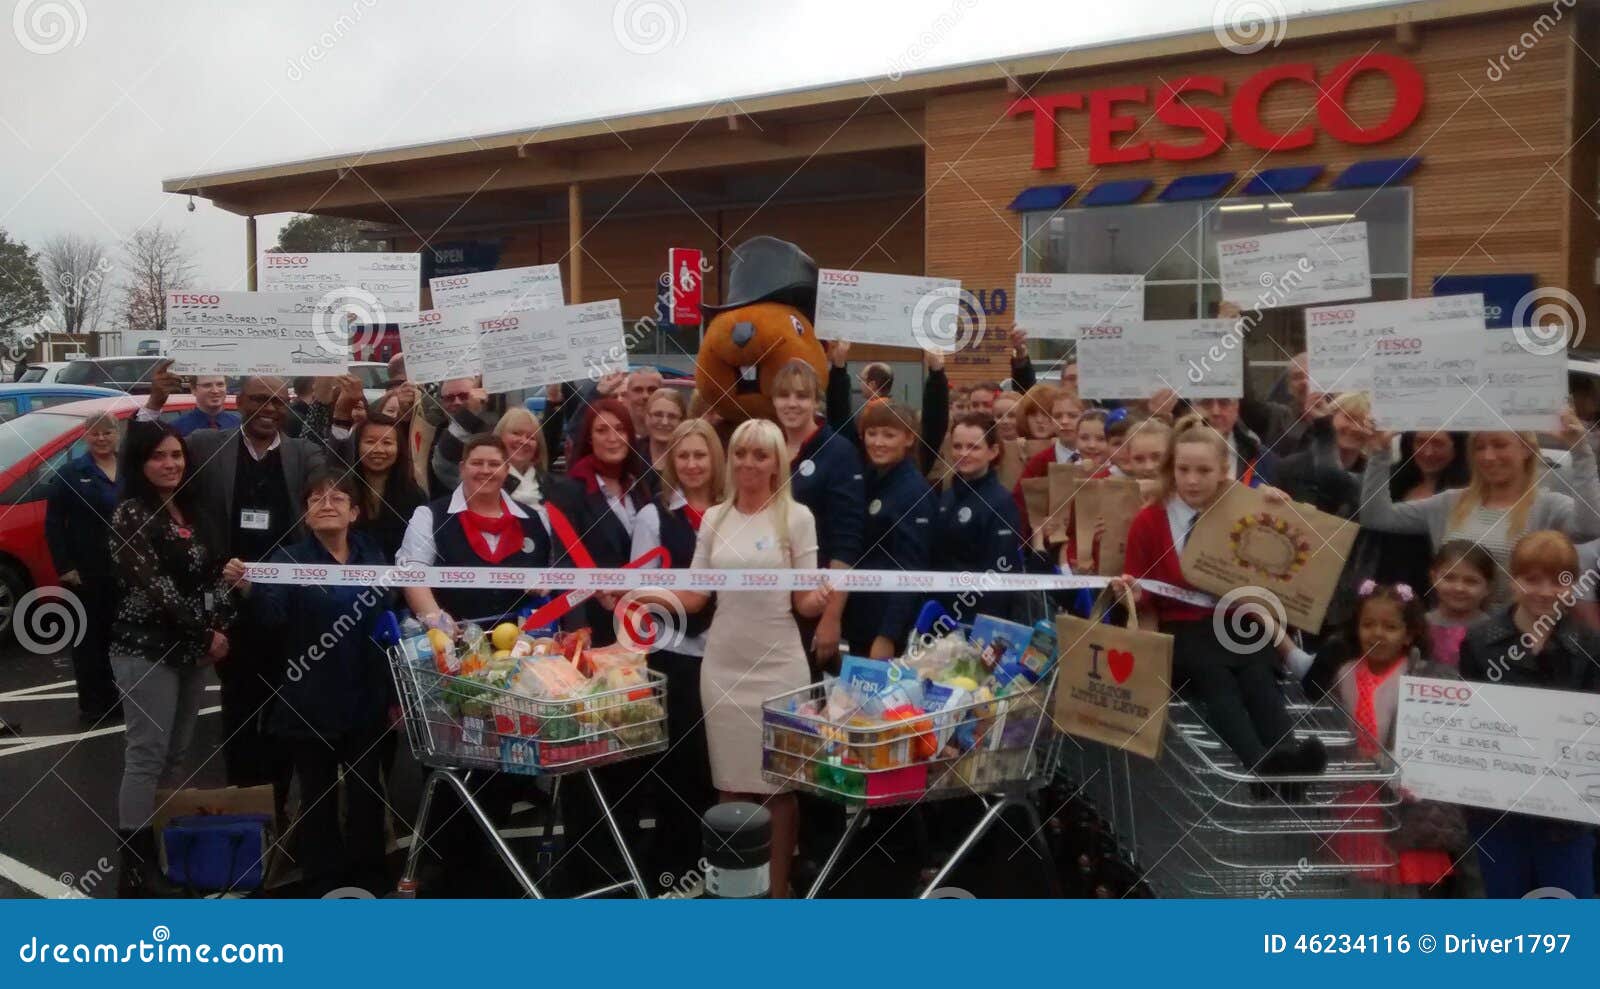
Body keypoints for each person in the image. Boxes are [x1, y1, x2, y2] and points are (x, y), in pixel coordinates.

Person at [637, 418, 831, 897]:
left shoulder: (797, 517)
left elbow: (803, 601)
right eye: (741, 453)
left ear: (775, 463)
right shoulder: (716, 518)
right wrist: (639, 593)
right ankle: (735, 895)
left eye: (760, 455)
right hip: (722, 664)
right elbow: (697, 597)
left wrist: (824, 599)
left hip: (780, 663)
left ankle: (779, 895)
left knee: (779, 790)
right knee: (730, 784)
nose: (748, 462)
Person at [141, 363, 326, 790]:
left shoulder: (303, 453)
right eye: (260, 398)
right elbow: (149, 455)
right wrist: (153, 404)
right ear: (239, 402)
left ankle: (278, 801)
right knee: (239, 707)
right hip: (228, 602)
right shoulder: (206, 445)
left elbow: (333, 481)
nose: (269, 408)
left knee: (285, 707)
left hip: (287, 602)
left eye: (279, 400)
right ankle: (246, 798)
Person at [1114, 417, 1325, 779]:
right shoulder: (1150, 520)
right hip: (1181, 627)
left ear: (1222, 471)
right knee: (1215, 677)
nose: (1192, 480)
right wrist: (1132, 593)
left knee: (1258, 672)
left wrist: (1280, 508)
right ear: (1172, 470)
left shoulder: (1240, 508)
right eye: (1183, 469)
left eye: (1203, 470)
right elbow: (1138, 590)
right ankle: (1258, 764)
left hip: (1234, 621)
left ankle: (1288, 757)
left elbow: (1283, 552)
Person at [109, 422, 241, 897]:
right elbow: (156, 588)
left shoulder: (192, 509)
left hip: (191, 650)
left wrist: (222, 613)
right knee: (146, 756)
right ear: (140, 464)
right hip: (144, 649)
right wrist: (206, 632)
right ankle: (135, 873)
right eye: (159, 457)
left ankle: (163, 856)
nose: (170, 465)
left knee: (176, 756)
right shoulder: (130, 514)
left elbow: (208, 578)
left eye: (176, 456)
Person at [250, 471, 394, 896]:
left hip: (367, 694)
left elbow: (388, 620)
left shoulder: (374, 556)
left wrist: (393, 694)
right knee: (316, 794)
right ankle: (322, 879)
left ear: (355, 512)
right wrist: (251, 590)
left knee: (368, 790)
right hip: (308, 698)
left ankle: (370, 874)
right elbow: (270, 619)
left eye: (337, 498)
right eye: (316, 499)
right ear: (306, 515)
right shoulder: (286, 560)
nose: (326, 504)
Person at [1287, 581, 1470, 896]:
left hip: (1405, 798)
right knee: (1363, 883)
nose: (1377, 634)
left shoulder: (1420, 677)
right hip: (1357, 794)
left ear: (1409, 634)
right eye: (1368, 624)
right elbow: (1336, 725)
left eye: (1390, 626)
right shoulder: (1344, 673)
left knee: (1406, 885)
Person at [1459, 530, 1600, 898]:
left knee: (1568, 911)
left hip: (1567, 817)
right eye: (1531, 579)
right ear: (1512, 580)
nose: (1544, 591)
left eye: (1559, 581)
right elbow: (1464, 722)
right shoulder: (1478, 641)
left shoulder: (1589, 645)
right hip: (1498, 814)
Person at [1357, 412, 1600, 603]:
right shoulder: (1450, 502)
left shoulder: (1550, 506)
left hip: (1514, 638)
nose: (1488, 456)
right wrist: (1379, 454)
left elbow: (1591, 527)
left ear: (1526, 449)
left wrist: (1581, 452)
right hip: (1449, 635)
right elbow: (1376, 517)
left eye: (1499, 445)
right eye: (1480, 447)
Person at [626, 418, 723, 880]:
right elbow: (639, 587)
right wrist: (690, 603)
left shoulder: (731, 512)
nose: (691, 464)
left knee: (715, 764)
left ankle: (715, 863)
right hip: (675, 653)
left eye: (700, 455)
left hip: (726, 654)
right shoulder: (653, 515)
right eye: (682, 456)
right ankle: (672, 867)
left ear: (714, 459)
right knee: (676, 765)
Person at [398, 434, 560, 628]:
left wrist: (546, 581)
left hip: (526, 645)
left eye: (494, 464)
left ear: (507, 469)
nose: (485, 470)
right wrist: (434, 617)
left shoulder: (537, 519)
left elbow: (557, 570)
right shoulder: (429, 516)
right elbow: (413, 574)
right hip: (451, 643)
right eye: (476, 463)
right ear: (462, 468)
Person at [772, 359, 863, 667]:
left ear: (815, 401)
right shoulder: (767, 447)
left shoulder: (838, 452)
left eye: (801, 396)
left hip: (814, 604)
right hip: (768, 602)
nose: (792, 404)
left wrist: (832, 616)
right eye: (784, 395)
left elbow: (847, 541)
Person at [45, 412, 123, 723]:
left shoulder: (131, 470)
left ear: (117, 434)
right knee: (88, 640)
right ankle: (93, 703)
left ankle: (119, 698)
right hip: (86, 572)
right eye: (94, 433)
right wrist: (65, 566)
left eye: (107, 432)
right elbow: (53, 525)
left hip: (125, 571)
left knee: (120, 637)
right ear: (85, 436)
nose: (101, 438)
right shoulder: (70, 473)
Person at [843, 402, 931, 658]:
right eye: (872, 433)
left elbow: (911, 569)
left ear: (909, 438)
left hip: (886, 628)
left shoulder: (913, 491)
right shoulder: (868, 479)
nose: (878, 442)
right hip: (860, 620)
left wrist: (888, 635)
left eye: (889, 435)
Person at [565, 399, 653, 643]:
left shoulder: (640, 486)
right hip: (594, 623)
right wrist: (578, 630)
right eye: (602, 430)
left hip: (642, 618)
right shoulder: (572, 490)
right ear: (589, 438)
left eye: (620, 428)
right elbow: (567, 565)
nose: (612, 437)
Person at [932, 412, 1024, 623]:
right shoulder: (947, 497)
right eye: (957, 446)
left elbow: (1000, 569)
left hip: (975, 616)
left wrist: (984, 627)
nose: (963, 453)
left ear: (992, 452)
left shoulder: (1001, 502)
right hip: (941, 611)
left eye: (973, 447)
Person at [344, 415, 427, 563]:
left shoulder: (414, 495)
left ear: (399, 448)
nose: (378, 449)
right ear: (357, 446)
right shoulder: (343, 492)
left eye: (387, 442)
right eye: (370, 442)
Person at [494, 406, 580, 519]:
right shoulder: (485, 483)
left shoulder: (556, 488)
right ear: (499, 438)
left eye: (531, 437)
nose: (524, 441)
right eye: (516, 433)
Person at [1424, 540, 1494, 669]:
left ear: (1488, 587)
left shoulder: (1494, 632)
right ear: (1434, 578)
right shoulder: (1420, 625)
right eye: (1449, 578)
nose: (1459, 588)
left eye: (1471, 581)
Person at [425, 376, 499, 494]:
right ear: (441, 402)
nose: (457, 402)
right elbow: (445, 469)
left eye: (464, 396)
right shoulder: (435, 432)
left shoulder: (496, 431)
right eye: (449, 398)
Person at [1192, 397, 1276, 485]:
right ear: (1193, 408)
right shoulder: (1176, 454)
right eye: (1206, 402)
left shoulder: (1261, 458)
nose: (1215, 412)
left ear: (1236, 407)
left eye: (1224, 402)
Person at [642, 387, 687, 471]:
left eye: (672, 416)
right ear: (647, 417)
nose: (664, 422)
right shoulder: (632, 454)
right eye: (658, 414)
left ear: (682, 421)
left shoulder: (690, 457)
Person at [623, 367, 664, 437]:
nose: (645, 396)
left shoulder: (675, 435)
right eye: (638, 390)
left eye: (652, 390)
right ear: (627, 395)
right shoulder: (616, 434)